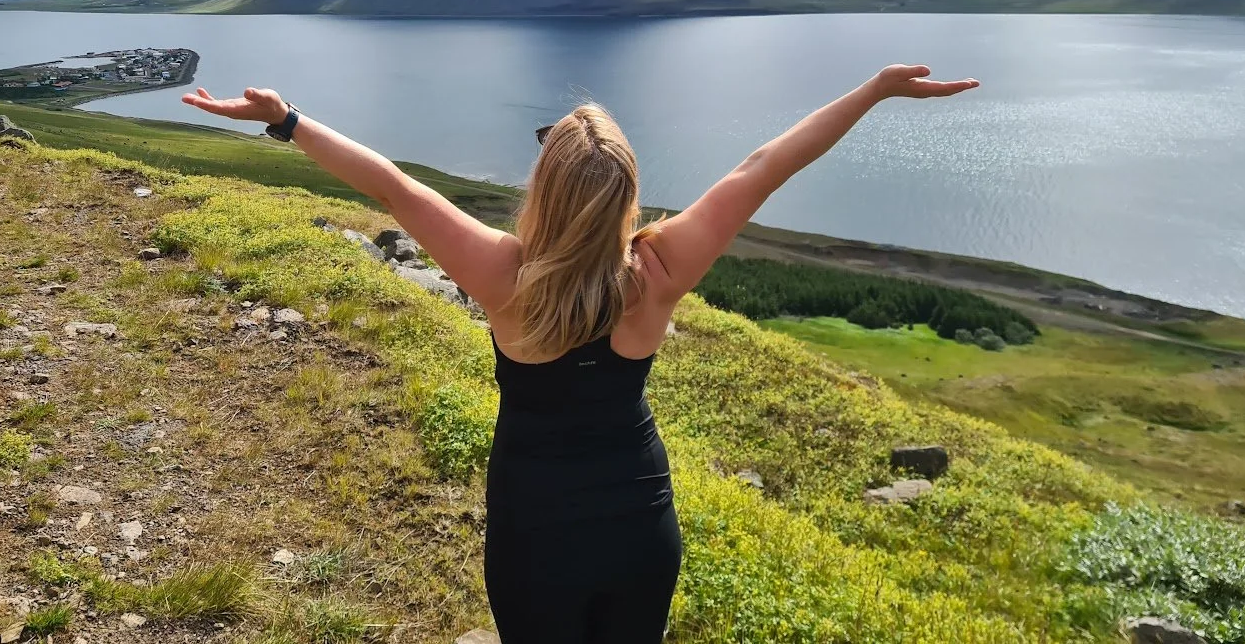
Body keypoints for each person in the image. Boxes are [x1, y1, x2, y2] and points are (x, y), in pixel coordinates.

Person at [182, 63, 978, 643]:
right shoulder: (660, 270)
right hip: (640, 525)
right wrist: (871, 90)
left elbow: (390, 186)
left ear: (547, 186)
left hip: (534, 530)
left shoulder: (503, 275)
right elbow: (763, 166)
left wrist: (286, 120)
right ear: (625, 193)